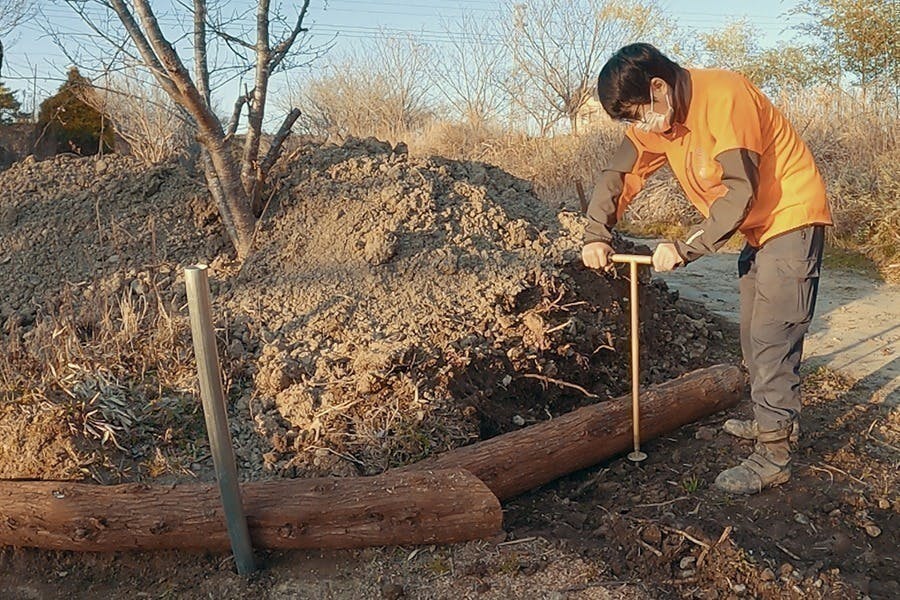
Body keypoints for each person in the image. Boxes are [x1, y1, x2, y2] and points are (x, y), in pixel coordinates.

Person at [583, 43, 833, 494]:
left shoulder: (724, 96)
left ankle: (774, 455)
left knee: (773, 336)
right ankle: (770, 421)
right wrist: (596, 231)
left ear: (658, 87)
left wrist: (685, 247)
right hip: (759, 230)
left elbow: (739, 191)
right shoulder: (662, 119)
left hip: (792, 217)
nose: (640, 127)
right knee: (752, 332)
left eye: (639, 114)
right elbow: (620, 175)